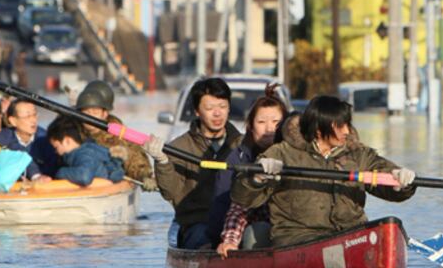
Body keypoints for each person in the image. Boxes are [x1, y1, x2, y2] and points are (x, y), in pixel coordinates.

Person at [231, 95, 417, 247]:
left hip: (350, 236)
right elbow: (242, 198)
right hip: (297, 239)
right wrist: (257, 177)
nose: (347, 131)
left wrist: (401, 182)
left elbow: (384, 174)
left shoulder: (359, 154)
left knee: (388, 225)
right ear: (319, 129)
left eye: (347, 124)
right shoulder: (282, 153)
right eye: (340, 126)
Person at [144, 77, 243, 249]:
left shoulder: (242, 145)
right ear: (197, 111)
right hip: (197, 224)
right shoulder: (179, 147)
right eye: (209, 108)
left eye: (222, 106)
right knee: (202, 240)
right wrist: (162, 161)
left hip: (235, 224)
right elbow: (170, 192)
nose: (217, 113)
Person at [211, 85, 288, 258]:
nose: (269, 129)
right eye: (261, 122)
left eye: (276, 122)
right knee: (258, 231)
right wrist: (228, 241)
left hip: (293, 230)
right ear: (250, 127)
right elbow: (237, 206)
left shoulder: (298, 155)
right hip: (255, 230)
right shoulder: (237, 159)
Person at [75, 80, 155, 190]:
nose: (90, 116)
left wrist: (144, 176)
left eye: (95, 111)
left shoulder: (117, 136)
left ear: (105, 113)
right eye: (86, 111)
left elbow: (135, 158)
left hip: (105, 184)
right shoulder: (72, 128)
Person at [46, 116, 125, 187]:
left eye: (56, 147)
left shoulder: (85, 154)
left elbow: (84, 177)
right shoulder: (85, 151)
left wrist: (60, 172)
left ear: (67, 141)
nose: (56, 151)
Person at [0, 99, 58, 180]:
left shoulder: (46, 139)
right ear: (13, 121)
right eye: (27, 116)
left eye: (34, 115)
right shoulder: (2, 137)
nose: (33, 120)